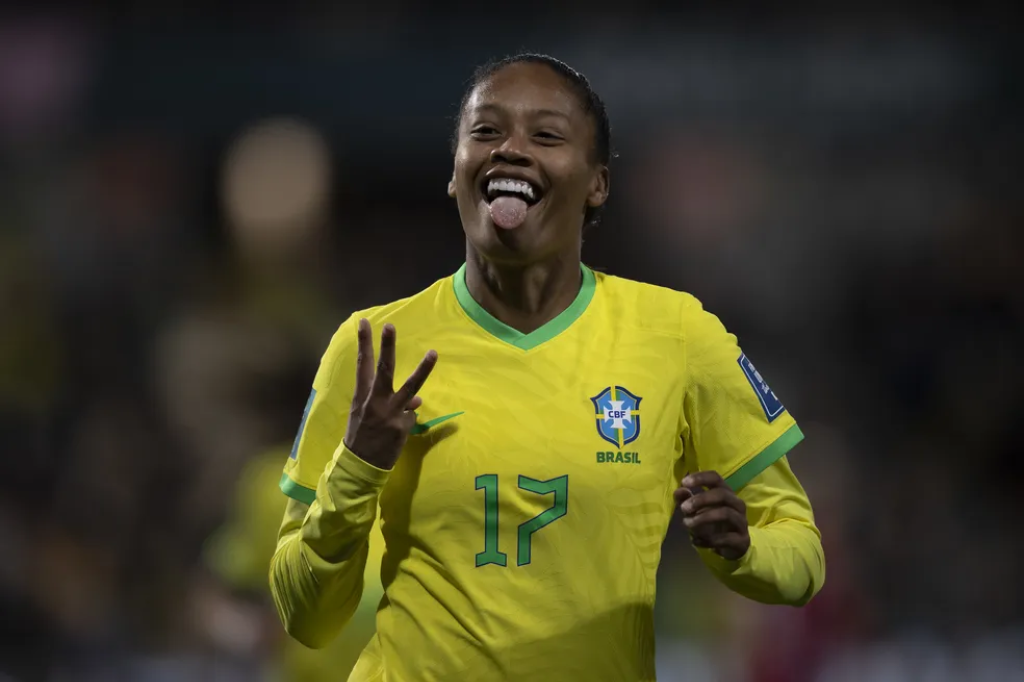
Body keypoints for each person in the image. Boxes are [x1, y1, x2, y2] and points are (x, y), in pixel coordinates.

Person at [270, 53, 825, 681]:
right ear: (455, 173)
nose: (510, 149)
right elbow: (303, 617)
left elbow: (802, 559)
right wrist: (358, 466)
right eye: (485, 131)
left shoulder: (676, 334)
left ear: (597, 183)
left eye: (546, 135)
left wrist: (742, 549)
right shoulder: (374, 347)